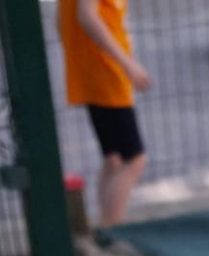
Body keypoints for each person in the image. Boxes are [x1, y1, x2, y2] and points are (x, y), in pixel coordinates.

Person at [58, 0, 151, 242]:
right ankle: (111, 229)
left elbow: (62, 20)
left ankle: (106, 227)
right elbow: (87, 16)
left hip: (95, 71)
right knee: (134, 159)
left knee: (114, 159)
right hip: (106, 74)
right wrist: (127, 64)